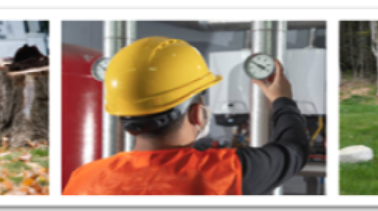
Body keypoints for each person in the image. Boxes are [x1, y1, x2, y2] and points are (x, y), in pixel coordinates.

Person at [63, 37, 308, 195]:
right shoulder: (224, 172)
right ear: (196, 114)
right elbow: (295, 150)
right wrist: (281, 99)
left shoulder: (84, 179)